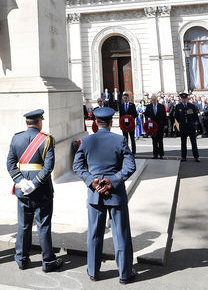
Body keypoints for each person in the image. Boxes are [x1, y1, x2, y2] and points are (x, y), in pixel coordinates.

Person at [73, 107, 137, 284]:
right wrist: (113, 180)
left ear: (95, 123)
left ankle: (93, 271)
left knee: (94, 234)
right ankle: (124, 274)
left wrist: (91, 181)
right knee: (121, 234)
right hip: (115, 194)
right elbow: (130, 166)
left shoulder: (86, 141)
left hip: (95, 194)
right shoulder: (120, 140)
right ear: (111, 123)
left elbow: (77, 166)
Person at [6, 109, 63, 272]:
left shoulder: (16, 138)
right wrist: (35, 183)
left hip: (22, 190)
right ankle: (48, 261)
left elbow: (10, 164)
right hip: (42, 189)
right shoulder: (46, 140)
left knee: (23, 225)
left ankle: (22, 259)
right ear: (39, 122)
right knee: (43, 225)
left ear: (27, 123)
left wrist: (21, 181)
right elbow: (48, 166)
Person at [175, 93, 200, 162]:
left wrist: (192, 122)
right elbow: (176, 116)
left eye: (185, 98)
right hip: (183, 126)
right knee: (183, 142)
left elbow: (195, 116)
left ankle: (196, 156)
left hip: (190, 126)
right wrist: (181, 122)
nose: (184, 100)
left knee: (193, 142)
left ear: (187, 99)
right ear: (181, 99)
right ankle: (183, 156)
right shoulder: (178, 106)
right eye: (183, 99)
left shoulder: (191, 106)